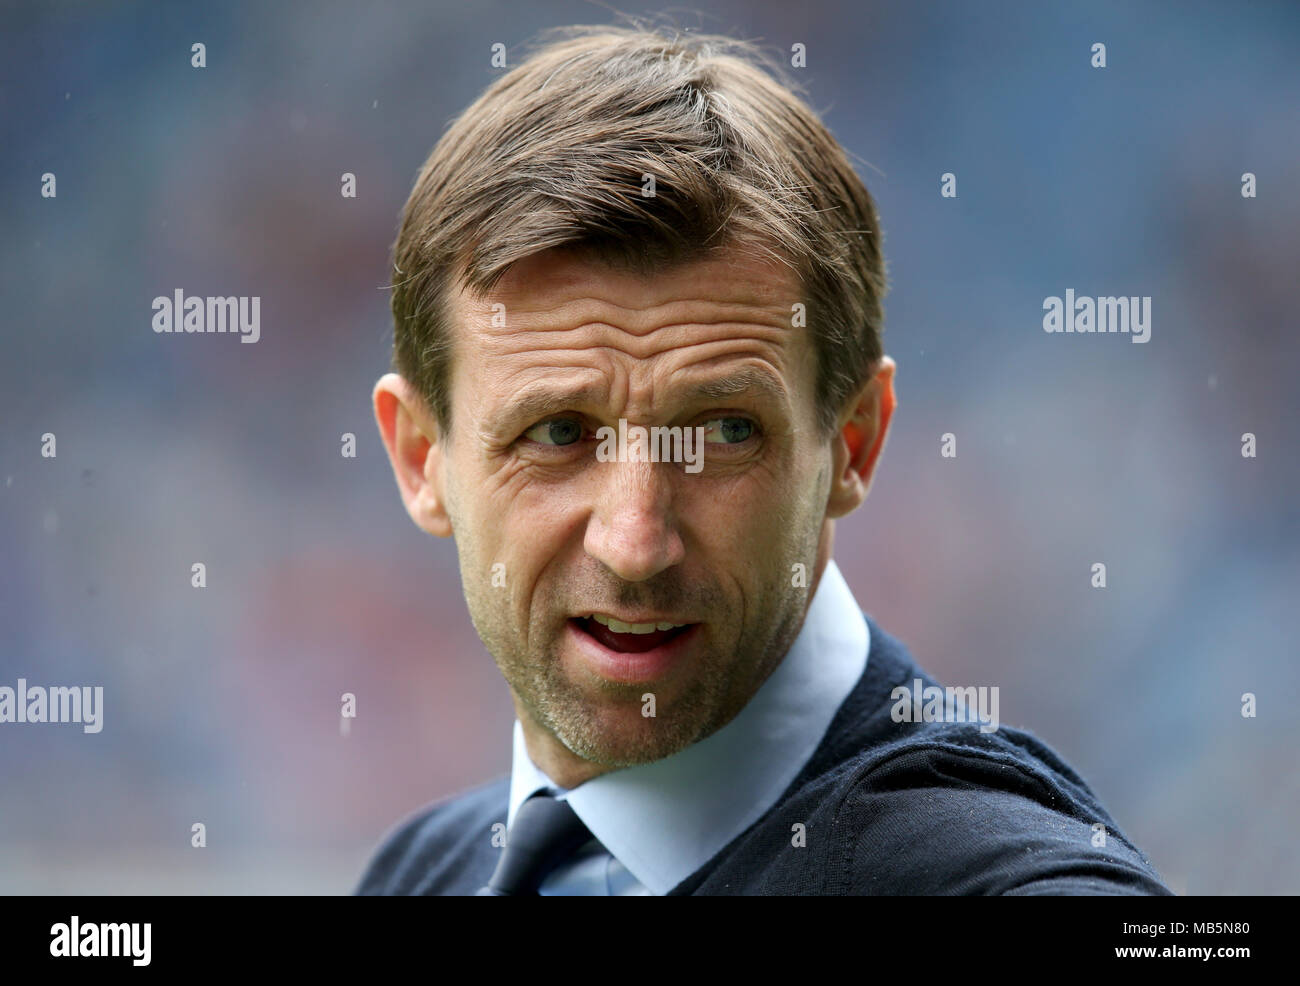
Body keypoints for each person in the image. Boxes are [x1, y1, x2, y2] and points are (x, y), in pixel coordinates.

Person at [355, 23, 1172, 895]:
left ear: (854, 443)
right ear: (419, 457)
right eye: (559, 433)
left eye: (722, 431)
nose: (635, 543)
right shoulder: (420, 873)